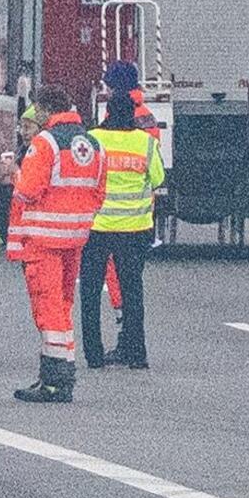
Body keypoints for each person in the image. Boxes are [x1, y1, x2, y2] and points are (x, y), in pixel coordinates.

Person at [4, 85, 104, 403]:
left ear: (46, 110)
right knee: (62, 307)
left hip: (44, 239)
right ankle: (60, 375)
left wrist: (15, 176)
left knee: (48, 310)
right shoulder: (92, 143)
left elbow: (28, 191)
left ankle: (55, 379)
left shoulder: (45, 143)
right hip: (76, 237)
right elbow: (99, 193)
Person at [82, 92, 165, 370]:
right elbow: (158, 178)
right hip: (134, 229)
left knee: (91, 292)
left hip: (97, 228)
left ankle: (93, 355)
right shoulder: (145, 143)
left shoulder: (94, 139)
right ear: (133, 115)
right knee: (132, 292)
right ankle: (136, 354)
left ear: (107, 112)